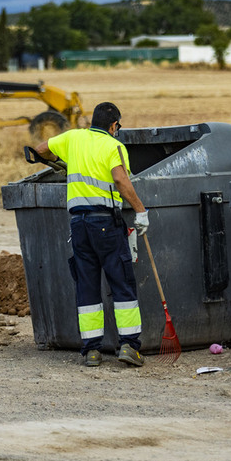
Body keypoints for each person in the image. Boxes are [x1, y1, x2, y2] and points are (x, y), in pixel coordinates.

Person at [34, 102, 150, 367]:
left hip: (79, 225)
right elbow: (121, 180)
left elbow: (41, 149)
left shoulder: (74, 137)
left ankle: (92, 351)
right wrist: (140, 210)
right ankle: (129, 347)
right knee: (121, 283)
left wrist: (61, 163)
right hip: (105, 224)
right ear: (113, 125)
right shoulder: (113, 146)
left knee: (87, 286)